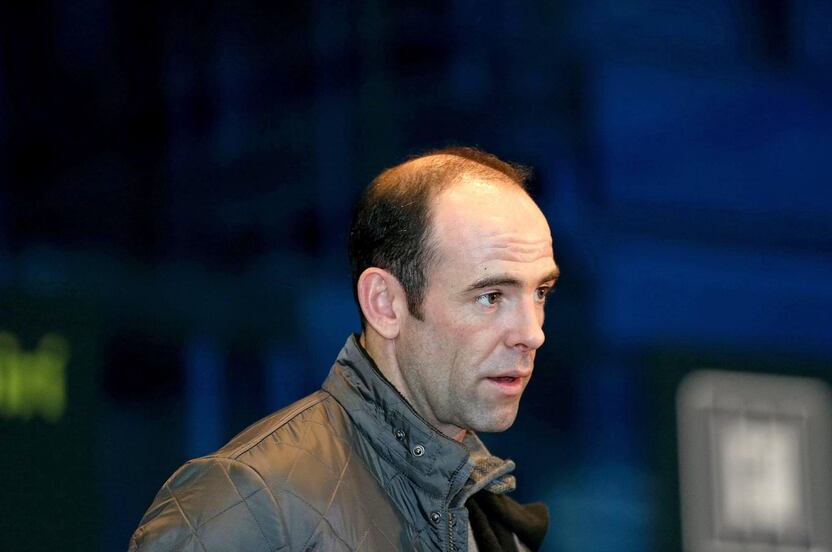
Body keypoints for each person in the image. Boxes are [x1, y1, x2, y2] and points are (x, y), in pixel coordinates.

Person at [129, 147, 557, 551]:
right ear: (385, 303)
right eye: (491, 296)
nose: (531, 333)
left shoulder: (490, 516)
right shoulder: (249, 499)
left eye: (540, 292)